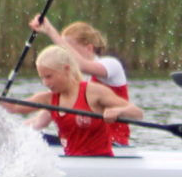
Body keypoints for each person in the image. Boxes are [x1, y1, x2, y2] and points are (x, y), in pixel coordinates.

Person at [13, 43, 144, 157]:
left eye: (48, 77)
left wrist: (118, 112)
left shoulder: (97, 84)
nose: (45, 83)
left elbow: (138, 113)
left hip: (108, 151)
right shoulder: (54, 97)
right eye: (43, 78)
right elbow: (29, 116)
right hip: (74, 154)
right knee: (36, 137)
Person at [27, 17, 134, 144]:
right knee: (31, 138)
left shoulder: (111, 65)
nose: (65, 55)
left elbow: (82, 65)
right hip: (77, 144)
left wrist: (50, 30)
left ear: (89, 48)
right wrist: (14, 131)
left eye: (68, 49)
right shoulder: (68, 81)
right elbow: (39, 122)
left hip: (111, 143)